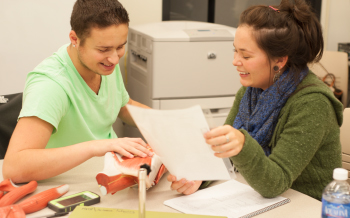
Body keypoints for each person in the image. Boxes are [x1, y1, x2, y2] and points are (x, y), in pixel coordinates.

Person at [167, 0, 343, 200]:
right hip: (266, 201)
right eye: (235, 50)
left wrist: (242, 145)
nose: (235, 61)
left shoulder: (313, 103)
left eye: (246, 56)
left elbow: (275, 182)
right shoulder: (250, 92)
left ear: (279, 60)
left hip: (309, 207)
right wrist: (199, 177)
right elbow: (224, 156)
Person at [2, 0, 153, 183]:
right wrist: (95, 147)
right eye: (103, 49)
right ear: (74, 39)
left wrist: (172, 125)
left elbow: (122, 106)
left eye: (120, 47)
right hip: (71, 182)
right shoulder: (51, 85)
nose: (114, 59)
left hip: (109, 171)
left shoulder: (104, 64)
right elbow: (13, 168)